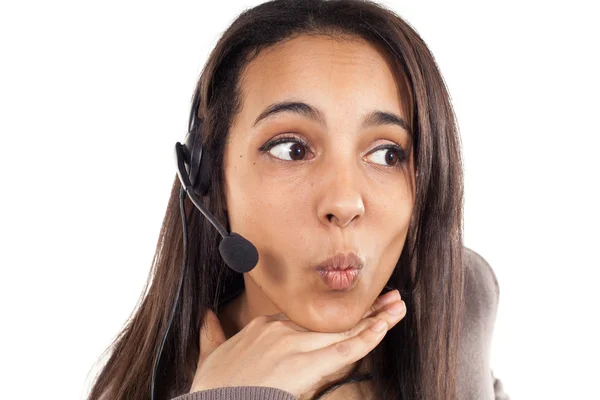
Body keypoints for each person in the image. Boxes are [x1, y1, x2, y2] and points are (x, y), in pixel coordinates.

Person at [86, 0, 510, 399]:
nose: (344, 203)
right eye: (291, 149)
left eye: (387, 154)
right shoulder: (145, 385)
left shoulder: (458, 298)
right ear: (208, 175)